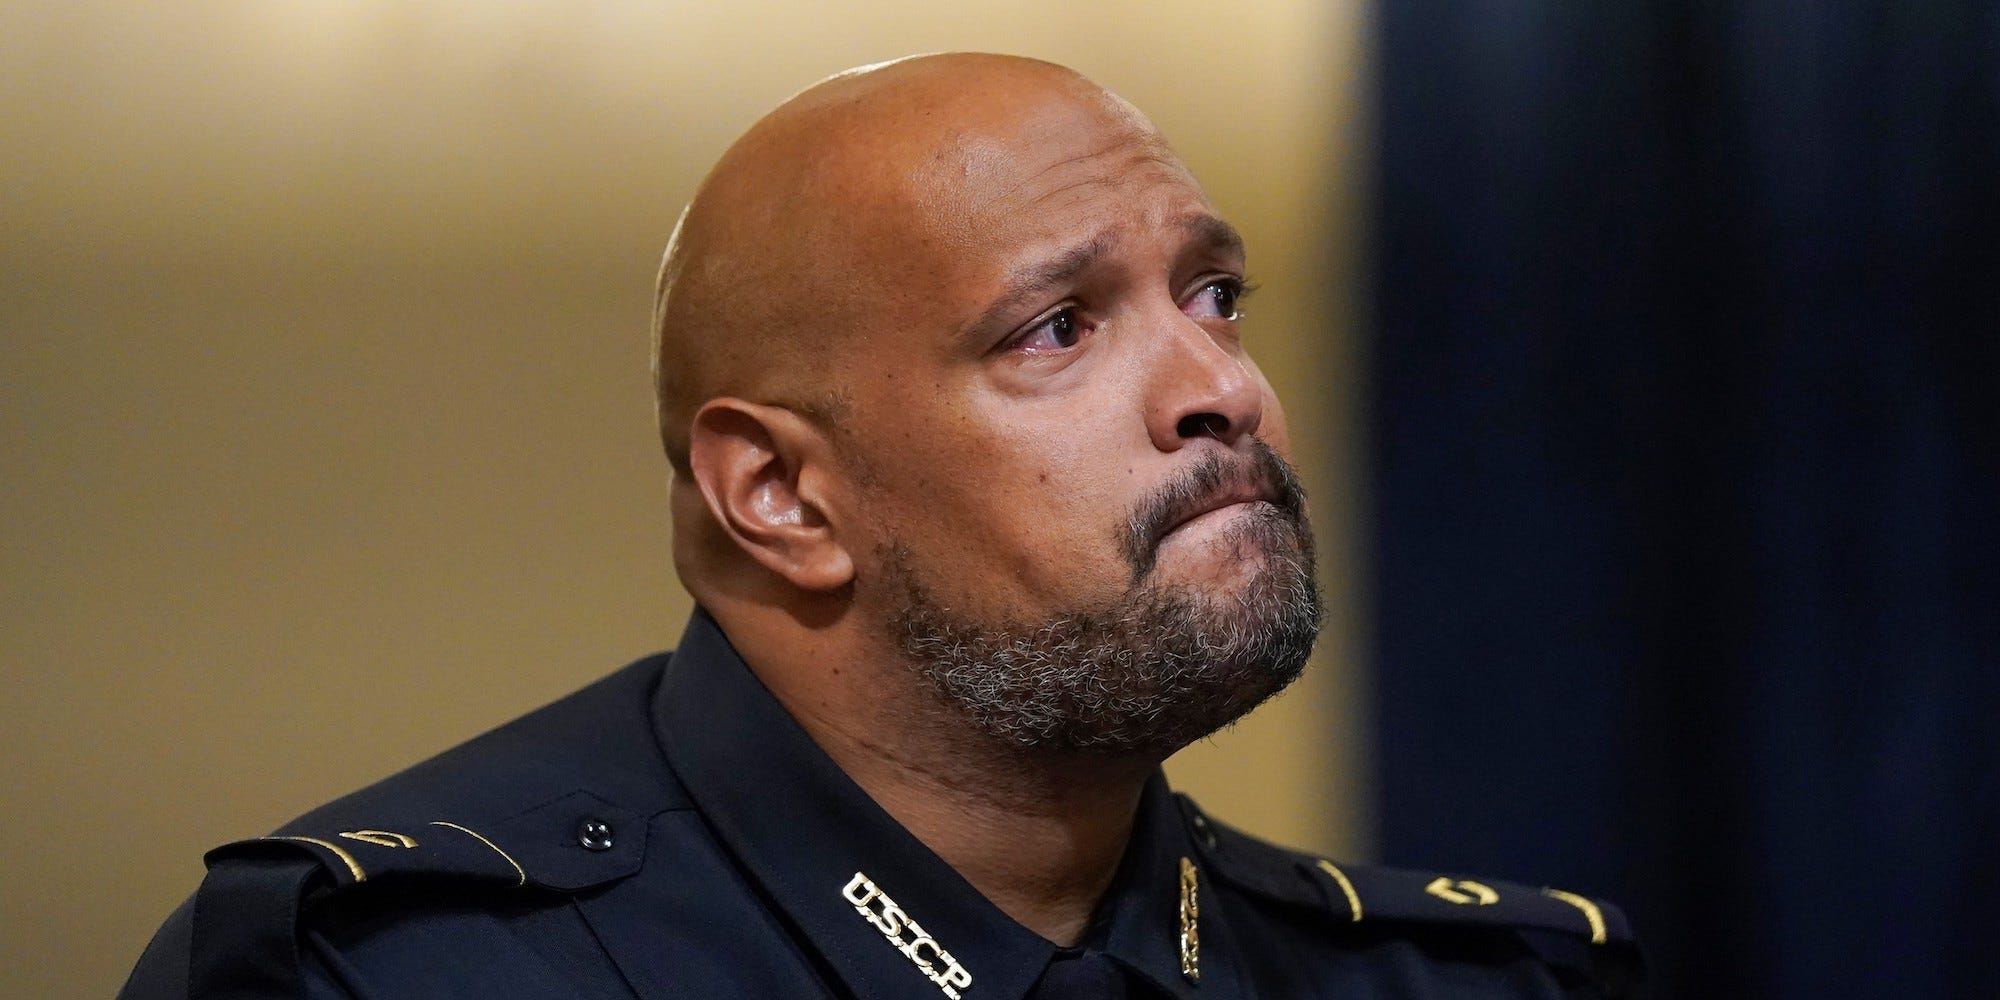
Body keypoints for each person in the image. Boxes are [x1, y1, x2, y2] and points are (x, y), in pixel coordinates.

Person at [120, 53, 1642, 999]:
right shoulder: (395, 972)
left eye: (1214, 293)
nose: (1221, 387)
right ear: (782, 496)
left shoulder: (1472, 979)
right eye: (1056, 329)